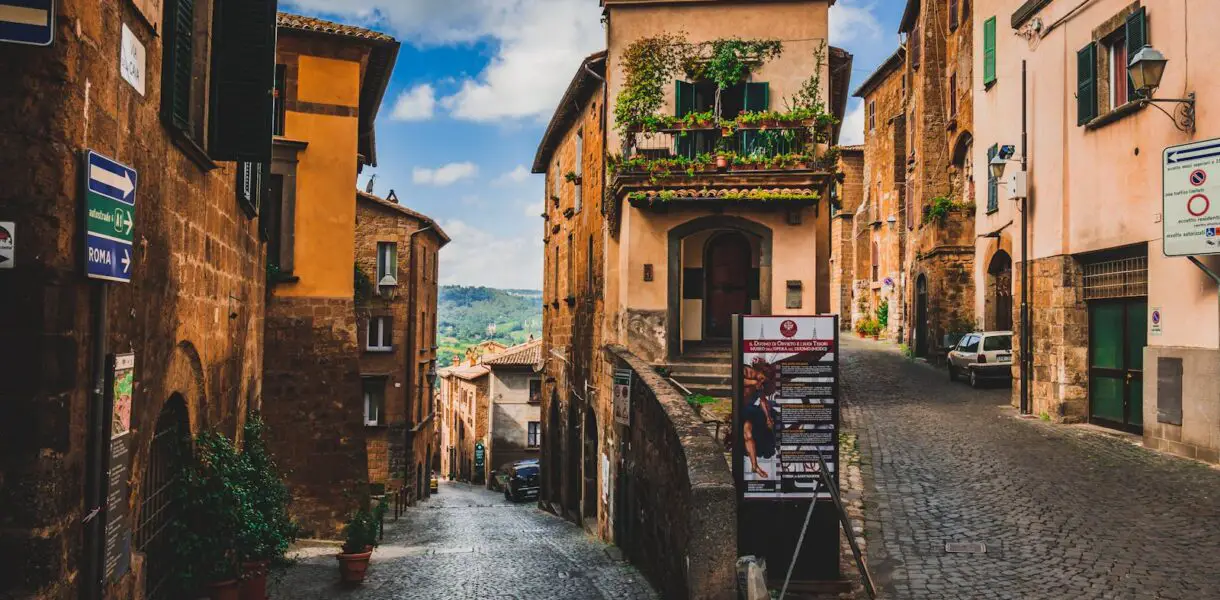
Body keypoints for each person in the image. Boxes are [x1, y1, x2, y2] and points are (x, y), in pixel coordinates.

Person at [741, 357, 777, 478]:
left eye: (765, 380)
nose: (763, 381)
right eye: (763, 377)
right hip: (738, 408)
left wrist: (768, 418)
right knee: (747, 433)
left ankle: (754, 466)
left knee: (748, 433)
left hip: (747, 410)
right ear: (759, 370)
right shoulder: (746, 370)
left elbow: (762, 401)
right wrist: (753, 382)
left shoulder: (760, 384)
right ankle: (754, 465)